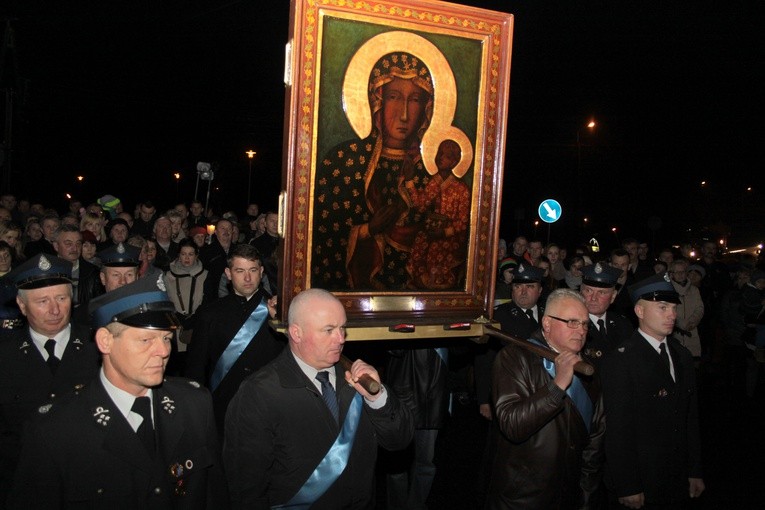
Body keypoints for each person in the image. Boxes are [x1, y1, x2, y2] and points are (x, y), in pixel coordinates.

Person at [9, 277, 229, 508]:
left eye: (166, 337)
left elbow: (214, 495)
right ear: (105, 341)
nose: (164, 350)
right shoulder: (56, 429)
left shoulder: (194, 404)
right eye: (146, 339)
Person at [224, 288, 414, 508]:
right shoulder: (259, 393)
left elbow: (400, 440)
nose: (341, 339)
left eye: (343, 328)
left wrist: (378, 397)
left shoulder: (356, 379)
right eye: (329, 330)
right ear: (296, 333)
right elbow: (246, 487)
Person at [312, 51, 436, 291]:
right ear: (377, 101)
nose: (404, 114)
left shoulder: (429, 172)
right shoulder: (343, 162)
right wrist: (367, 230)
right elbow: (322, 237)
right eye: (394, 97)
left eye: (415, 100)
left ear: (426, 108)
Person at [486, 289, 604, 508]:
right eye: (571, 322)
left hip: (568, 495)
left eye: (585, 324)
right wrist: (557, 386)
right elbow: (512, 424)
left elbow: (594, 442)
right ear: (547, 323)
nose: (581, 331)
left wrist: (586, 497)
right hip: (523, 497)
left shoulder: (588, 369)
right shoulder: (514, 358)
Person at [0, 254, 100, 502]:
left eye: (62, 298)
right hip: (24, 484)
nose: (55, 310)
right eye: (42, 301)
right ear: (21, 306)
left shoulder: (99, 346)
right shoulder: (4, 355)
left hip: (91, 482)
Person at [601, 273, 704, 508]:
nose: (672, 315)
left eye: (673, 308)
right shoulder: (620, 361)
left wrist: (694, 470)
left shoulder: (682, 356)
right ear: (639, 311)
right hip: (643, 477)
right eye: (662, 307)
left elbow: (690, 418)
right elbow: (618, 430)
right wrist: (628, 485)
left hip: (676, 474)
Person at [184, 244, 284, 433]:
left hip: (269, 406)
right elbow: (196, 367)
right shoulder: (210, 313)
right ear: (228, 274)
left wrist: (280, 320)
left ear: (261, 272)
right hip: (224, 407)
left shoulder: (278, 311)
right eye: (240, 271)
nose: (247, 278)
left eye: (252, 270)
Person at [476, 263, 545, 421]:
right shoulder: (499, 317)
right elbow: (485, 359)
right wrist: (484, 399)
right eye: (518, 286)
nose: (523, 291)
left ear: (540, 290)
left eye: (530, 286)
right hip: (509, 392)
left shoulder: (549, 314)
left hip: (543, 391)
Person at [384, 343, 449, 510]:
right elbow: (393, 347)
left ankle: (416, 505)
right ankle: (398, 506)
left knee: (426, 462)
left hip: (434, 395)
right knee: (396, 463)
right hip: (403, 390)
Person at [403, 138, 470, 290]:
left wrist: (444, 232)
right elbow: (420, 205)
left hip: (451, 237)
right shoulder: (435, 182)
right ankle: (420, 284)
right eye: (439, 153)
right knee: (420, 240)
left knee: (436, 249)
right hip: (433, 231)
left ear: (454, 162)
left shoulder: (462, 189)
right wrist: (409, 180)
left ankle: (438, 286)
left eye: (445, 155)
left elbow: (463, 222)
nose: (440, 157)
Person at [164, 238, 208, 375]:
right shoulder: (168, 275)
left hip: (198, 323)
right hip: (175, 323)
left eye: (190, 254)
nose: (187, 258)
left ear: (196, 255)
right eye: (183, 254)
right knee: (176, 365)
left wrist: (193, 318)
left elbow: (208, 301)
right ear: (178, 255)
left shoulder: (205, 275)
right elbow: (166, 300)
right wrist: (177, 317)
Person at [579, 262, 633, 365]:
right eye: (589, 291)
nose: (594, 298)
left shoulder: (623, 324)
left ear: (613, 296)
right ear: (580, 292)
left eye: (602, 292)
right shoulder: (573, 326)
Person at [669, 259, 704, 359]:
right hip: (675, 333)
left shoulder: (694, 290)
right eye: (677, 272)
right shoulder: (668, 290)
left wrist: (692, 322)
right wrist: (681, 323)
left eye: (683, 271)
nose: (681, 274)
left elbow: (700, 308)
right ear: (671, 274)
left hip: (692, 331)